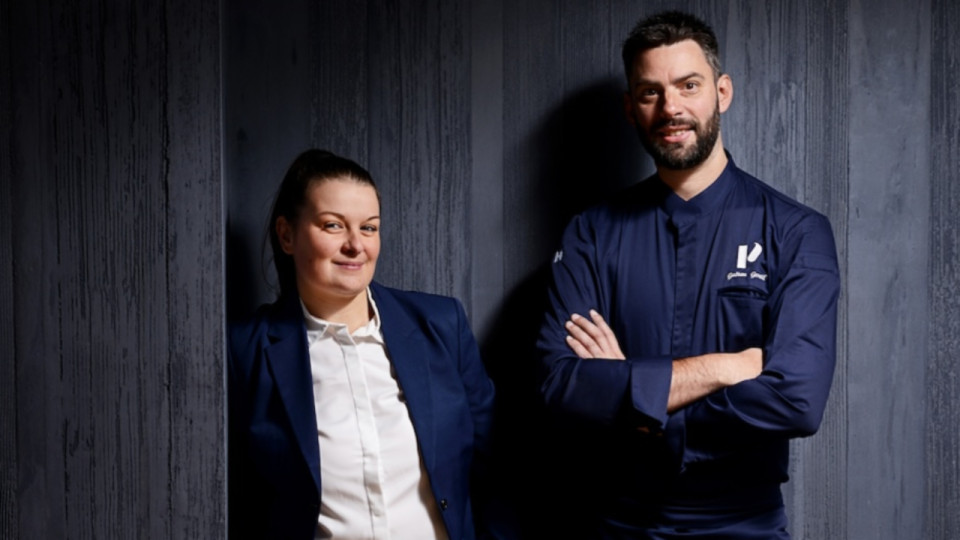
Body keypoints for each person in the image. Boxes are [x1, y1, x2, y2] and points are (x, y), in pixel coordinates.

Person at [537, 11, 840, 539]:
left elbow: (796, 400)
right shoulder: (590, 233)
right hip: (614, 522)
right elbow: (560, 384)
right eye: (650, 92)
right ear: (631, 109)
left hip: (741, 524)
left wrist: (634, 397)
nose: (671, 107)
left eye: (688, 85)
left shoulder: (796, 231)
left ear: (722, 92)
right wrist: (726, 367)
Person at [228, 149, 495, 539]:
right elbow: (241, 498)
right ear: (287, 235)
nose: (356, 245)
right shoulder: (245, 350)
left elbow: (494, 468)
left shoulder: (440, 324)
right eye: (333, 226)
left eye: (369, 228)